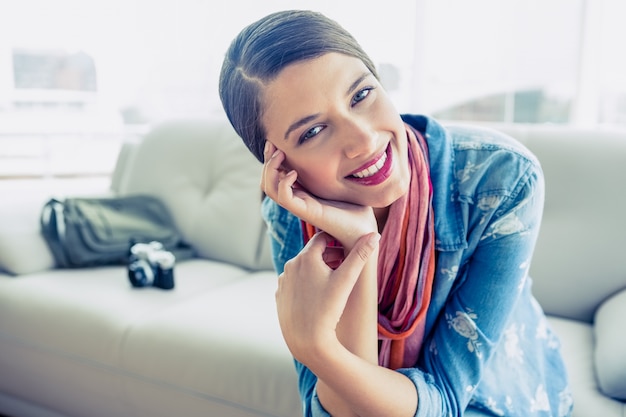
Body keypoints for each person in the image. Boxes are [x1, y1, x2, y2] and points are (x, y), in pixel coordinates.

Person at [219, 9, 573, 417]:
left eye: (361, 95)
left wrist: (319, 349)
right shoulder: (289, 213)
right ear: (281, 164)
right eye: (313, 132)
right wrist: (359, 243)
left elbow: (444, 402)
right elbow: (332, 411)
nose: (363, 140)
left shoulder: (501, 179)